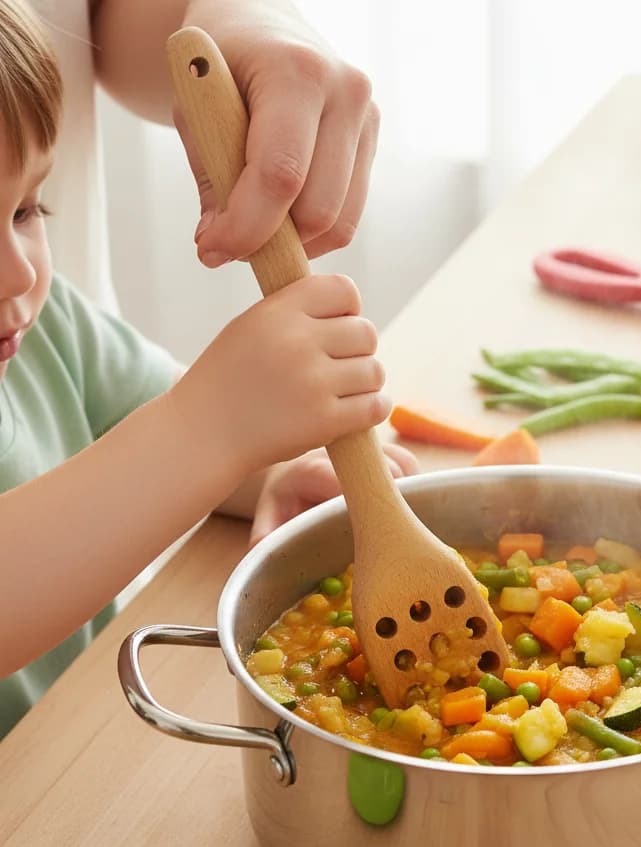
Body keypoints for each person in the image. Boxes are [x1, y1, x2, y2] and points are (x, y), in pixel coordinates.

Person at [0, 0, 415, 737]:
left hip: (69, 755)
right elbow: (192, 430)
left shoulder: (45, 323)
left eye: (29, 210)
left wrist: (278, 465)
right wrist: (213, 424)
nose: (18, 273)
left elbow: (160, 435)